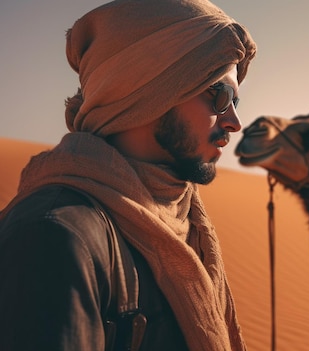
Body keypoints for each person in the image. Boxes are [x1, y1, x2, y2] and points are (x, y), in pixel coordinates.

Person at [0, 0, 256, 350]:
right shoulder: (54, 239)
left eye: (236, 103)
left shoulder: (187, 225)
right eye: (220, 96)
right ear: (154, 89)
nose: (234, 122)